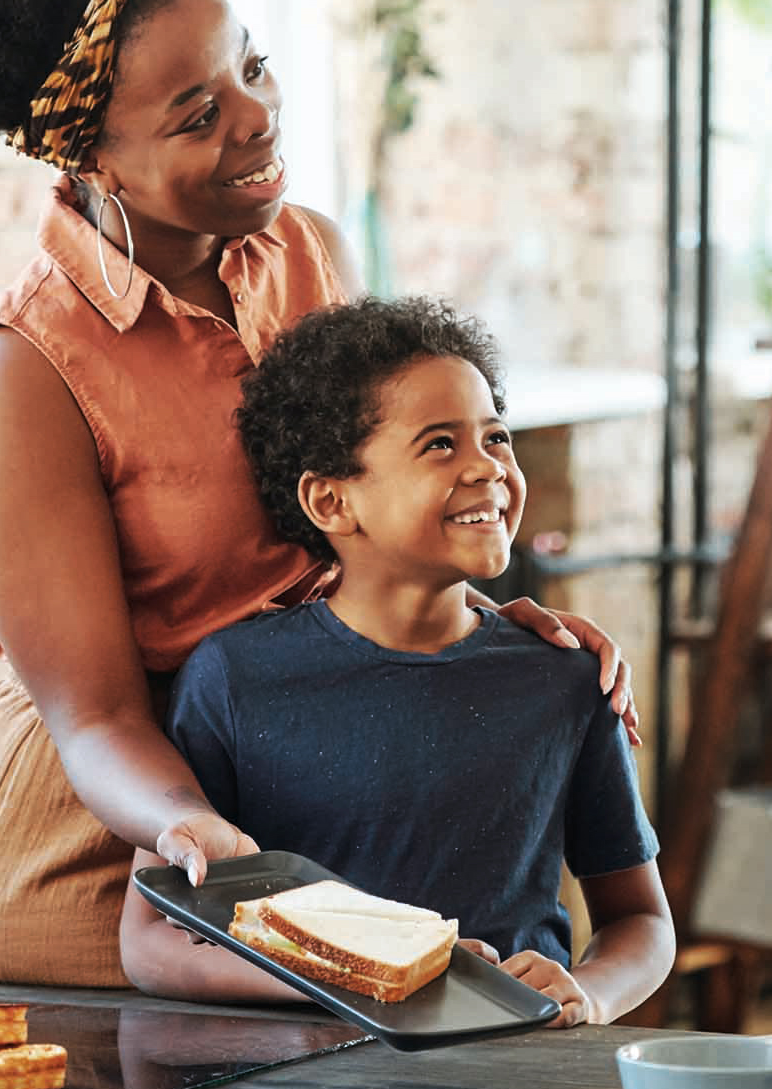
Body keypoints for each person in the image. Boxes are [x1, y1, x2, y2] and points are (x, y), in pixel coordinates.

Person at [0, 0, 637, 987]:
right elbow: (93, 717)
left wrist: (475, 619)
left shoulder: (309, 254)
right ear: (93, 158)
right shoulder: (28, 373)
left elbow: (360, 505)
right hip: (97, 849)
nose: (258, 117)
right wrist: (196, 830)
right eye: (200, 116)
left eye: (250, 65)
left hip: (288, 789)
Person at [119, 297, 672, 1026]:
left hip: (508, 1060)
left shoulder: (564, 676)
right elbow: (150, 941)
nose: (489, 466)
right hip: (306, 1069)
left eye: (496, 437)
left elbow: (642, 920)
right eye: (440, 444)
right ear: (330, 501)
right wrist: (347, 979)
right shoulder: (235, 679)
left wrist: (589, 992)